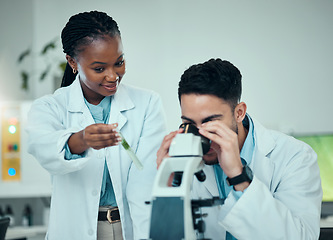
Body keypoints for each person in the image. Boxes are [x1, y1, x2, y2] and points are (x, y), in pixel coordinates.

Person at [26, 11, 166, 240]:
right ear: (73, 62)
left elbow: (145, 179)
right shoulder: (50, 107)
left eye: (119, 63)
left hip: (128, 228)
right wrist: (79, 140)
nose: (113, 76)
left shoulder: (147, 103)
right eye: (99, 69)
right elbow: (42, 146)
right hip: (75, 230)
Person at [156, 58, 322, 239]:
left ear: (239, 113)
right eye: (189, 124)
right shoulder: (184, 159)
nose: (201, 136)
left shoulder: (295, 156)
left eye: (210, 122)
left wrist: (239, 175)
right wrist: (168, 187)